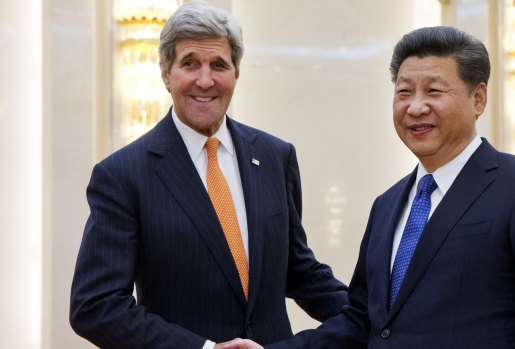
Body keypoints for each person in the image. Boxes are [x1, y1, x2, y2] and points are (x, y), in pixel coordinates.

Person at [223, 26, 515, 349]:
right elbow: (362, 323)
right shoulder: (387, 205)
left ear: (478, 98)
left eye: (434, 91)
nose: (416, 107)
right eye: (404, 92)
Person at [69, 2, 348, 348]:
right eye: (189, 64)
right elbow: (95, 305)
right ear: (165, 73)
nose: (205, 80)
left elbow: (299, 270)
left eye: (219, 65)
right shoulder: (123, 174)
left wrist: (376, 320)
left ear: (236, 73)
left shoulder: (275, 156)